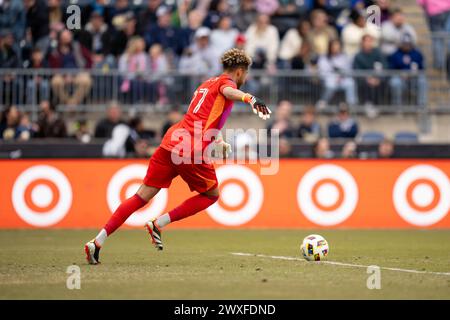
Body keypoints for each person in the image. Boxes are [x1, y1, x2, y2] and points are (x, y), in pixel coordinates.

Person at [85, 48, 271, 264]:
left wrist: (217, 139)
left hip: (172, 140)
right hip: (191, 148)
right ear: (240, 72)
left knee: (141, 196)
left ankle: (97, 241)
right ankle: (159, 223)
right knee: (211, 195)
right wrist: (250, 98)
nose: (245, 79)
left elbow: (200, 116)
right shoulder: (227, 84)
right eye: (245, 75)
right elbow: (230, 92)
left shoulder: (206, 85)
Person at [388, 34, 427, 106]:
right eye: (404, 44)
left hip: (414, 78)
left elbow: (422, 68)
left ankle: (422, 106)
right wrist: (400, 74)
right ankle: (397, 106)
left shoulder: (417, 53)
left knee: (422, 81)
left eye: (408, 44)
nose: (406, 46)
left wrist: (415, 73)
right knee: (395, 82)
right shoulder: (396, 54)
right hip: (400, 78)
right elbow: (391, 69)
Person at [316, 39, 357, 109]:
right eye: (334, 46)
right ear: (330, 47)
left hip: (342, 79)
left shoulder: (344, 57)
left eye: (337, 46)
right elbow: (322, 72)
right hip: (329, 79)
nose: (336, 48)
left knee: (351, 83)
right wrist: (333, 77)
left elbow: (348, 70)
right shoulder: (324, 58)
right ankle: (323, 102)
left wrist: (341, 77)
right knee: (330, 84)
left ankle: (352, 105)